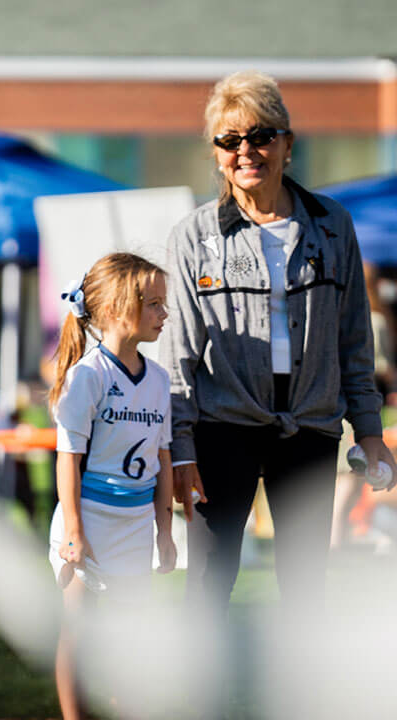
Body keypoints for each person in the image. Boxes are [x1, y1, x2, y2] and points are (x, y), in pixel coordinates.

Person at [161, 70, 396, 619]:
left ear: (287, 144)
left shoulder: (333, 225)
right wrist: (182, 449)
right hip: (223, 428)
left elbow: (354, 342)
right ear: (216, 153)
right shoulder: (194, 235)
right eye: (229, 140)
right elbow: (178, 358)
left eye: (261, 136)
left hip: (311, 427)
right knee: (208, 585)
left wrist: (369, 433)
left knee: (307, 589)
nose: (246, 151)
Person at [47, 253, 176, 720]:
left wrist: (164, 531)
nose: (165, 315)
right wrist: (74, 532)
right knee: (78, 632)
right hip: (88, 522)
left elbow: (161, 459)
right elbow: (68, 459)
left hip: (136, 526)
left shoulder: (159, 381)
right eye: (156, 304)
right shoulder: (88, 376)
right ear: (123, 309)